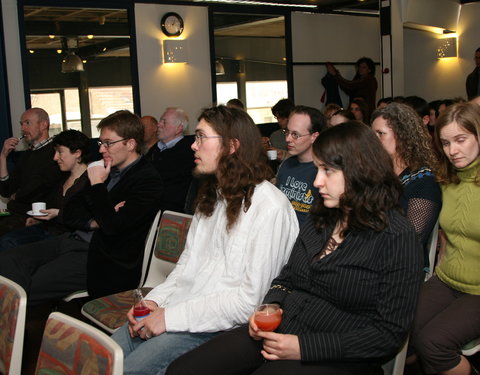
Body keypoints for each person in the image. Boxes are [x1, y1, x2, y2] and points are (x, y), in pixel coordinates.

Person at [166, 121, 424, 375]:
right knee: (183, 369)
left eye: (327, 171)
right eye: (317, 170)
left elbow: (388, 335)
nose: (317, 182)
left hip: (340, 354)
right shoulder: (322, 218)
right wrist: (271, 306)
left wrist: (304, 347)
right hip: (283, 330)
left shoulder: (396, 236)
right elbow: (286, 278)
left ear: (361, 172)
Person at [111, 105, 299, 375]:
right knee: (107, 354)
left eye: (201, 137)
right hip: (183, 311)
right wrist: (154, 302)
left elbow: (251, 302)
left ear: (232, 146)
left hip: (220, 328)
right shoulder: (212, 196)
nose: (193, 146)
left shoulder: (269, 207)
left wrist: (169, 317)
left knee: (129, 370)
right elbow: (186, 268)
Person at [0, 110, 163, 304]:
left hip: (100, 256)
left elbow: (113, 228)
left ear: (130, 144)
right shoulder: (106, 170)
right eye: (101, 142)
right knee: (8, 260)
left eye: (108, 143)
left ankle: (19, 325)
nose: (101, 149)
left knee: (28, 285)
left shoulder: (147, 180)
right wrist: (96, 221)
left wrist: (97, 186)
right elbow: (70, 212)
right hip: (71, 239)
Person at [408, 102, 480, 375]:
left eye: (461, 140)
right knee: (402, 320)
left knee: (433, 343)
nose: (453, 151)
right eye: (446, 142)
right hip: (448, 280)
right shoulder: (448, 180)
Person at [371, 103, 441, 270]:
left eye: (380, 134)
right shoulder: (376, 173)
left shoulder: (424, 181)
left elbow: (411, 241)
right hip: (371, 255)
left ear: (403, 135)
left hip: (401, 266)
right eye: (372, 134)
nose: (373, 141)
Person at [0, 129, 90, 252]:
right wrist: (38, 219)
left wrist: (57, 214)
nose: (55, 157)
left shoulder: (91, 181)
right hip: (48, 229)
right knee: (7, 241)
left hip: (68, 238)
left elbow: (86, 218)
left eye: (60, 152)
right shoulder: (61, 178)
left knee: (12, 247)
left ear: (77, 153)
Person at [0, 108, 62, 236]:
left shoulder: (56, 152)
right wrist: (3, 157)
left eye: (27, 123)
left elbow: (42, 186)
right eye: (21, 124)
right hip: (17, 215)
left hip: (38, 219)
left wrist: (17, 195)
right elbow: (6, 190)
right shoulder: (26, 155)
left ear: (43, 125)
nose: (23, 128)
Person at [276, 105, 326, 226]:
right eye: (287, 132)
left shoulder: (324, 171)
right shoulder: (286, 165)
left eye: (295, 135)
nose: (288, 139)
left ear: (314, 136)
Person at [145, 107, 195, 212]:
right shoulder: (155, 149)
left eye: (164, 122)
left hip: (170, 212)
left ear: (179, 129)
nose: (159, 125)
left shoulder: (188, 152)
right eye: (160, 121)